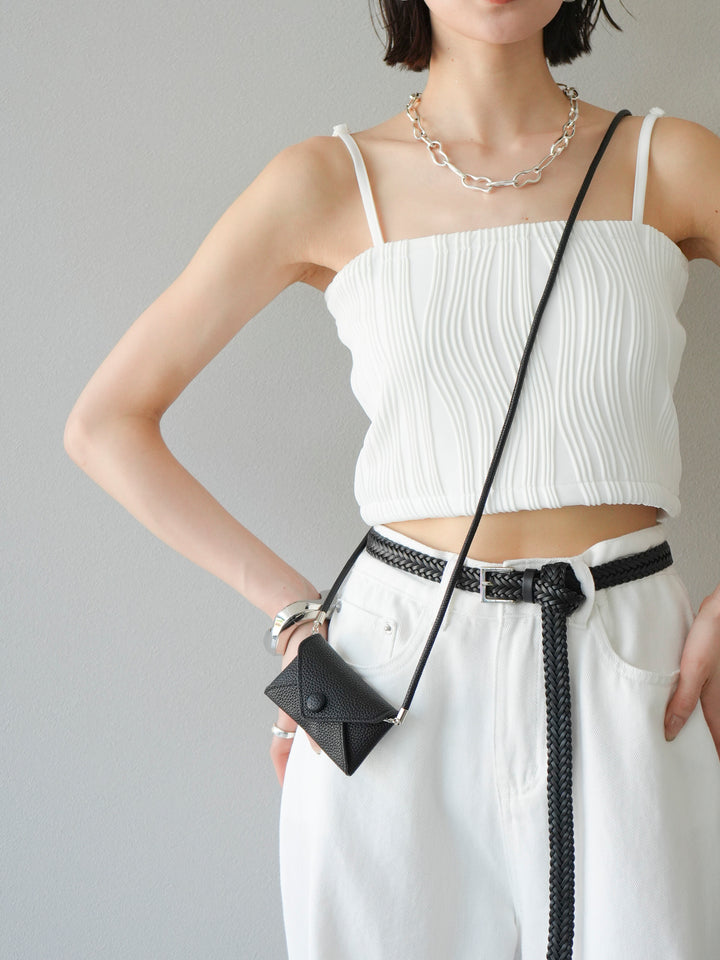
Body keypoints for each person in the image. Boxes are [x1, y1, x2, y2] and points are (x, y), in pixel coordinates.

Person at [64, 0, 720, 957]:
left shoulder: (674, 162)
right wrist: (294, 617)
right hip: (397, 671)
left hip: (635, 664)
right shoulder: (327, 181)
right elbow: (105, 425)